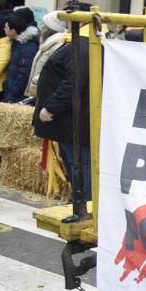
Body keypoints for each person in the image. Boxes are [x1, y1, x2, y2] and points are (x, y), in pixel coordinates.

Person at [32, 24, 92, 201]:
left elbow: (74, 82)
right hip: (72, 116)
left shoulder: (81, 46)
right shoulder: (80, 44)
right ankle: (80, 199)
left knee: (79, 162)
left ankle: (83, 202)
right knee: (76, 161)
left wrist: (51, 107)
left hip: (73, 117)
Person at [25, 10, 68, 99]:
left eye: (44, 25)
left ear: (49, 28)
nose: (41, 28)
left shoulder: (57, 44)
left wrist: (36, 82)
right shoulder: (46, 43)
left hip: (44, 91)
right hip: (38, 89)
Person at [1, 11, 39, 103]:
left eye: (6, 27)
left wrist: (13, 91)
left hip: (17, 95)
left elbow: (24, 72)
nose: (4, 29)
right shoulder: (16, 44)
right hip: (11, 92)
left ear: (13, 30)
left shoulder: (28, 47)